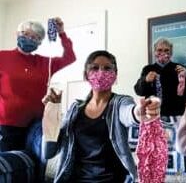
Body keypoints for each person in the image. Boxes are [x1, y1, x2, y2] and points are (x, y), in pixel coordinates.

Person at [42, 50, 161, 183]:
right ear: (85, 75)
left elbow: (128, 112)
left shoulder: (120, 102)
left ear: (115, 75)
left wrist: (138, 112)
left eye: (107, 68)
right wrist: (51, 114)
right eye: (94, 67)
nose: (101, 72)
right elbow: (49, 153)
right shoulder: (75, 110)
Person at [0, 17, 76, 151]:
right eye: (26, 34)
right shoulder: (3, 57)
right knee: (8, 166)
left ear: (40, 42)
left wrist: (62, 33)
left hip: (36, 126)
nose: (30, 38)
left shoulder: (45, 63)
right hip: (7, 126)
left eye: (35, 37)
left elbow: (69, 57)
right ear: (17, 34)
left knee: (34, 165)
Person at [134, 38, 186, 116]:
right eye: (159, 50)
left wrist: (185, 77)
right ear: (154, 52)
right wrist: (145, 80)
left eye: (166, 50)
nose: (163, 53)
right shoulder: (147, 69)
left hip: (176, 114)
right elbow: (138, 91)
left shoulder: (179, 68)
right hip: (153, 114)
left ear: (171, 53)